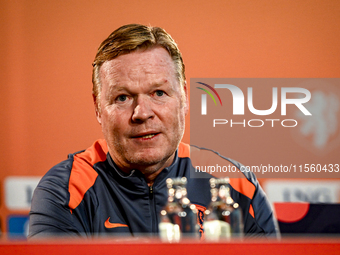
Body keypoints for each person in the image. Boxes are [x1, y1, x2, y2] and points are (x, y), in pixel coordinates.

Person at [28, 24, 278, 238]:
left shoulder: (235, 184)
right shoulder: (66, 189)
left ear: (184, 98)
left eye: (159, 93)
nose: (142, 113)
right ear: (98, 108)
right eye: (123, 97)